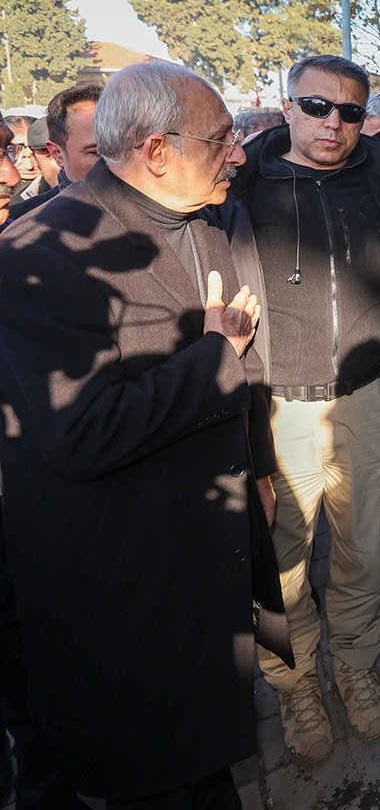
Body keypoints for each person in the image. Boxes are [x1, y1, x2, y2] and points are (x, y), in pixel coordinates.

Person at [0, 60, 286, 807]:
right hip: (131, 584)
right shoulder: (41, 256)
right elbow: (82, 430)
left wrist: (258, 468)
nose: (240, 153)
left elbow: (240, 375)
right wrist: (217, 355)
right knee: (160, 770)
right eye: (222, 139)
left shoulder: (207, 227)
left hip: (207, 557)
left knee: (211, 757)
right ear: (158, 152)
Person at [230, 55, 380, 764]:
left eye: (349, 110)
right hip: (277, 410)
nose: (334, 123)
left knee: (364, 553)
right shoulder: (242, 188)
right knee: (278, 567)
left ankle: (355, 665)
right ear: (287, 107)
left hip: (370, 403)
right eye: (317, 106)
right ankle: (295, 681)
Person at [6, 84, 100, 222]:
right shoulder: (22, 223)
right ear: (57, 153)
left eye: (121, 147)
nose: (113, 161)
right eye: (96, 152)